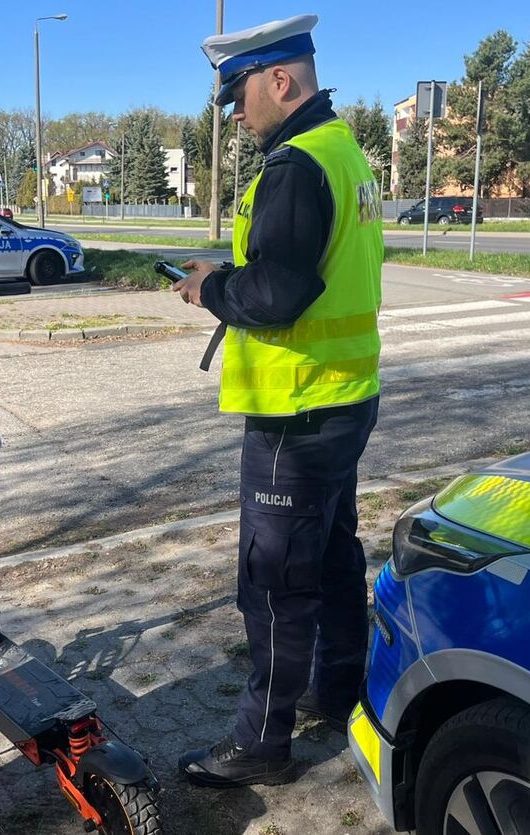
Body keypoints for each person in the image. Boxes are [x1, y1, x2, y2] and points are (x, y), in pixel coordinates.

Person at [175, 14, 384, 788]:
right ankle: (340, 692)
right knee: (331, 557)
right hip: (344, 396)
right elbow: (304, 263)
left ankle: (262, 743)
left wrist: (210, 287)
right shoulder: (344, 151)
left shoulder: (295, 163)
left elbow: (280, 291)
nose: (235, 113)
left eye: (237, 96)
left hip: (297, 411)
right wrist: (228, 265)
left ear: (280, 82)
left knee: (271, 585)